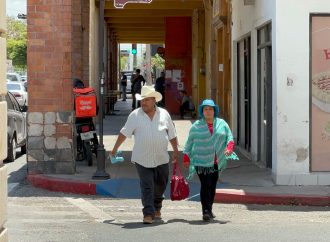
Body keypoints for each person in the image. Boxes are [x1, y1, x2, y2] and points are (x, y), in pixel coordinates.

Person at [111, 85, 179, 225]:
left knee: (161, 184)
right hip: (142, 158)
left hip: (161, 158)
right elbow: (124, 133)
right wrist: (114, 149)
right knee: (147, 186)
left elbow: (172, 134)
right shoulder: (135, 115)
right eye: (142, 100)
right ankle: (148, 213)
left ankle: (157, 206)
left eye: (147, 100)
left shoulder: (164, 114)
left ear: (154, 101)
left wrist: (176, 151)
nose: (144, 103)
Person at [182, 99, 238, 222]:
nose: (208, 111)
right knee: (205, 185)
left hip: (216, 161)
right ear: (202, 111)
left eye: (210, 109)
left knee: (212, 186)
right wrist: (186, 156)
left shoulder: (222, 123)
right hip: (201, 161)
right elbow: (189, 142)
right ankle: (205, 211)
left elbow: (229, 137)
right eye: (205, 109)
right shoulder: (196, 126)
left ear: (214, 111)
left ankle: (210, 208)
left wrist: (229, 147)